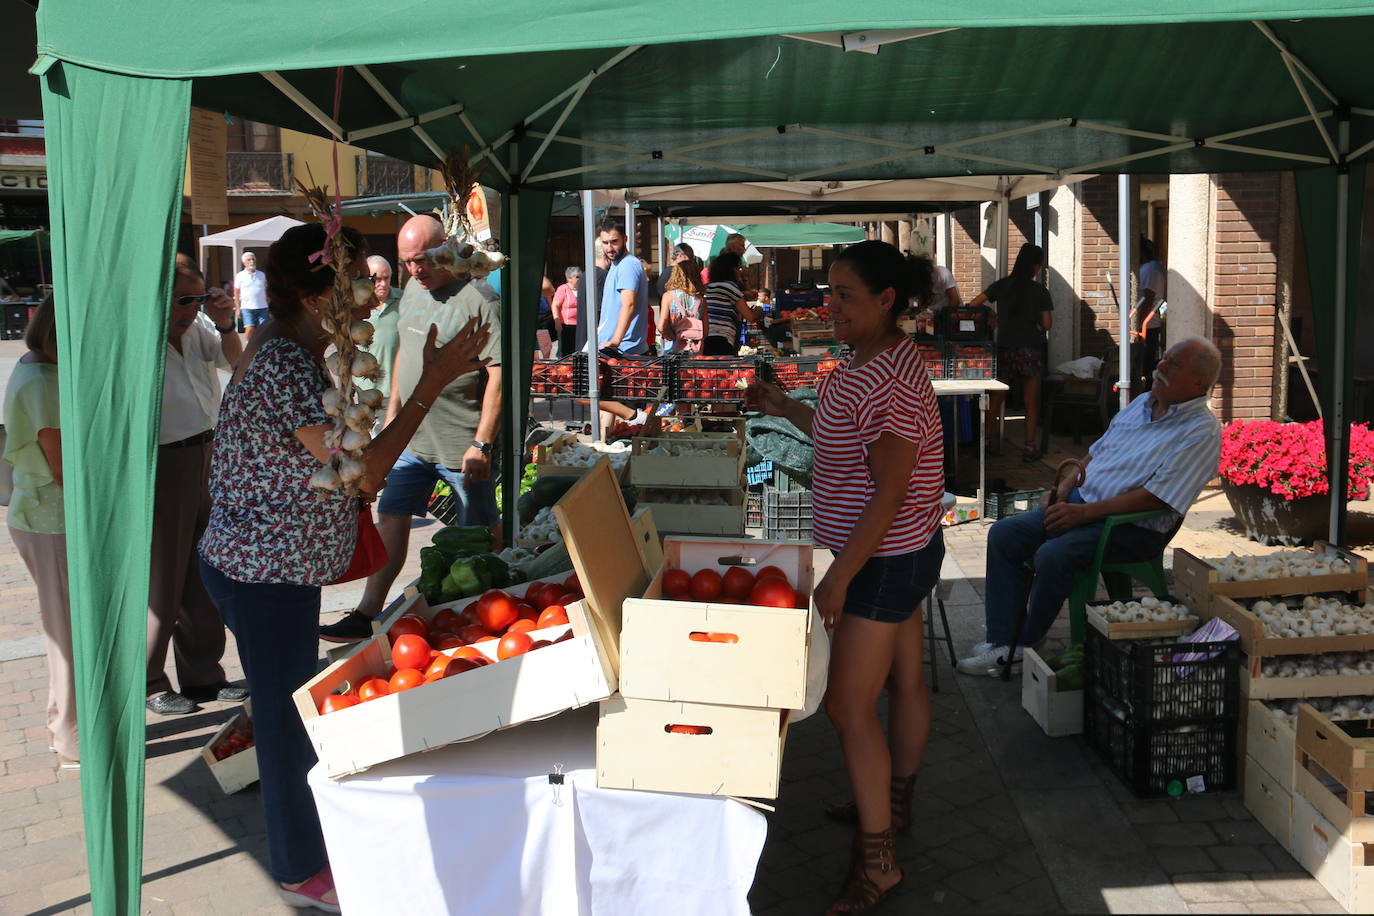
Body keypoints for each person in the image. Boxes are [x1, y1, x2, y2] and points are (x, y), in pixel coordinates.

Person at [198, 223, 491, 910]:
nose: (370, 296)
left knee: (287, 709)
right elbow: (362, 476)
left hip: (271, 567)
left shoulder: (298, 350)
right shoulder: (286, 364)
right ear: (316, 291)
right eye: (358, 282)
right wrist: (433, 382)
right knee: (282, 718)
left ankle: (307, 850)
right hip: (261, 574)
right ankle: (299, 868)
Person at [747, 240, 943, 915]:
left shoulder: (889, 376)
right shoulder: (869, 361)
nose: (830, 307)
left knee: (846, 707)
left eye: (845, 296)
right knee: (907, 682)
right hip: (901, 549)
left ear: (887, 301)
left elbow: (889, 491)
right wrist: (784, 408)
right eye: (829, 293)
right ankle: (893, 804)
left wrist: (837, 580)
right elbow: (837, 430)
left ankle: (879, 859)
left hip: (884, 558)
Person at [957, 336, 1223, 676]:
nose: (1161, 367)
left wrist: (1081, 514)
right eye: (1164, 359)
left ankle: (1023, 644)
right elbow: (1097, 450)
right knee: (1005, 534)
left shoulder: (1201, 430)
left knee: (1053, 556)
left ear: (1200, 382)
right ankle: (1002, 638)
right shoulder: (1143, 402)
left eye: (1174, 364)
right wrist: (1064, 489)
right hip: (1083, 504)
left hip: (1131, 527)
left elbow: (1156, 497)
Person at [320, 215, 502, 642]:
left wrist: (482, 442)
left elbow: (498, 375)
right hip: (412, 440)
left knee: (472, 534)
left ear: (445, 248)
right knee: (391, 516)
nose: (416, 271)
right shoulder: (414, 294)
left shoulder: (481, 299)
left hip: (462, 445)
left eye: (422, 260)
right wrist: (391, 417)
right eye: (407, 263)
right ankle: (367, 611)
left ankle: (478, 616)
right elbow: (405, 351)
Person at [145, 264, 248, 716]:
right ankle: (149, 680)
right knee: (162, 577)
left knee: (205, 572)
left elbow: (235, 361)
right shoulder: (138, 336)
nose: (192, 309)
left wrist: (225, 322)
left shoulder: (200, 326)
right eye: (183, 300)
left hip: (206, 451)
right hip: (162, 460)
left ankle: (204, 674)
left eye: (198, 298)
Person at [5, 297, 78, 767]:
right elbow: (63, 469)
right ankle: (72, 738)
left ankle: (63, 724)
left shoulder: (34, 367)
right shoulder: (43, 379)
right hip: (50, 518)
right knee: (67, 633)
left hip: (44, 516)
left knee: (64, 627)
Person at [967, 243, 1053, 462]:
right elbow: (1047, 324)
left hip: (1005, 347)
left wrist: (992, 316)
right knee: (1030, 400)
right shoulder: (1040, 291)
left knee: (996, 397)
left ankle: (985, 442)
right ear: (1036, 266)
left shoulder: (1002, 285)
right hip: (1030, 349)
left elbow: (972, 304)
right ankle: (1029, 446)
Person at [356, 255, 403, 419]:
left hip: (396, 393)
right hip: (363, 393)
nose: (383, 284)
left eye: (387, 278)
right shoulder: (354, 306)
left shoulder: (404, 300)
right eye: (377, 279)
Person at [596, 219, 649, 356]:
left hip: (623, 351)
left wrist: (615, 340)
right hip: (615, 349)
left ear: (625, 239)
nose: (609, 248)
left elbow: (629, 304)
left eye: (614, 241)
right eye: (605, 243)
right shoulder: (617, 264)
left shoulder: (627, 265)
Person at [702, 250, 761, 356]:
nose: (740, 271)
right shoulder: (730, 287)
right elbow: (750, 317)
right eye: (738, 268)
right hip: (722, 339)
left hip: (705, 337)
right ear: (731, 270)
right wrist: (759, 311)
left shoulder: (709, 287)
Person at [1132, 237, 1167, 391]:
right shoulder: (1152, 267)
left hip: (1149, 324)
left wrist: (1139, 324)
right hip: (1150, 322)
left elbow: (1148, 297)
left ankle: (1147, 393)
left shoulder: (1151, 268)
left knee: (1146, 363)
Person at [659, 261, 706, 354]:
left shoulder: (668, 296)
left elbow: (661, 327)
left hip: (672, 350)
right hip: (695, 351)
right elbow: (706, 331)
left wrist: (673, 337)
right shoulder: (701, 300)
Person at [234, 250, 269, 340]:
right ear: (244, 263)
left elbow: (267, 290)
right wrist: (238, 309)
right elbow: (236, 293)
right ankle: (250, 347)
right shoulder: (240, 276)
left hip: (262, 307)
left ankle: (263, 347)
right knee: (250, 329)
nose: (251, 261)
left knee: (264, 329)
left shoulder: (262, 275)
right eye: (249, 260)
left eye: (253, 259)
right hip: (247, 308)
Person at [552, 266, 580, 357]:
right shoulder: (563, 288)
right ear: (569, 279)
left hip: (579, 325)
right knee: (564, 351)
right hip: (565, 325)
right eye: (577, 277)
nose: (580, 279)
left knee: (576, 350)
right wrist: (557, 321)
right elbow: (555, 305)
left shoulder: (581, 289)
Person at [536, 274, 556, 358]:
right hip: (536, 314)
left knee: (545, 341)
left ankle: (546, 359)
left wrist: (552, 310)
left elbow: (549, 295)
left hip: (544, 314)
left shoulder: (543, 277)